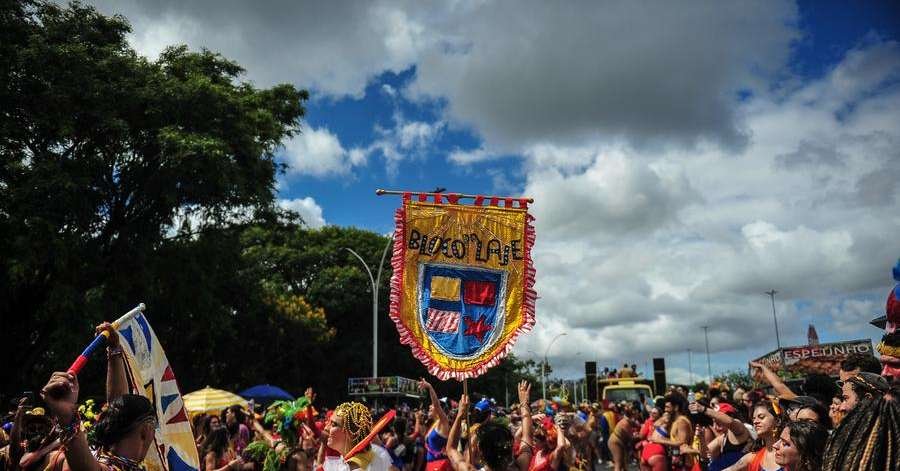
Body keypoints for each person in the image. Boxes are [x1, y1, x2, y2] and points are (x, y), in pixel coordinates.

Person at [40, 371, 159, 471]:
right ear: (146, 430)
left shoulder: (106, 458)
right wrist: (67, 416)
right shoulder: (107, 464)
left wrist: (115, 350)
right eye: (155, 426)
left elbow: (121, 407)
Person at [444, 381, 532, 471]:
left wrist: (460, 414)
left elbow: (451, 449)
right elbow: (527, 440)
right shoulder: (519, 467)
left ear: (481, 453)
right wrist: (524, 404)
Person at [324, 402, 391, 471]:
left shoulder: (358, 467)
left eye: (334, 424)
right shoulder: (364, 458)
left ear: (352, 434)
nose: (326, 428)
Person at [687, 402, 750, 471]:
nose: (715, 427)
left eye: (718, 423)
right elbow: (705, 455)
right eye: (713, 422)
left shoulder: (740, 430)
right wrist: (702, 439)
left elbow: (730, 422)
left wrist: (703, 409)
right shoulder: (723, 438)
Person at [722, 400, 782, 471]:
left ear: (778, 421)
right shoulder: (753, 457)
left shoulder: (792, 452)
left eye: (761, 417)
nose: (755, 421)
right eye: (753, 419)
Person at [417, 379, 450, 471]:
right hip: (430, 465)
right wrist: (418, 420)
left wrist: (430, 387)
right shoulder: (434, 424)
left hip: (439, 465)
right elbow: (424, 437)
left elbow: (436, 404)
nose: (430, 407)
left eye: (431, 405)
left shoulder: (444, 422)